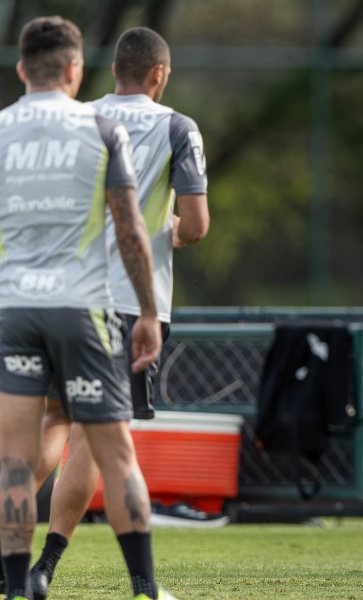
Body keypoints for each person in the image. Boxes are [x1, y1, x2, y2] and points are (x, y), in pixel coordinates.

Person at [26, 26, 212, 598]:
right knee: (95, 437)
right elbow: (197, 223)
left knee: (53, 420)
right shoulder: (177, 126)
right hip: (130, 304)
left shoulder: (80, 118)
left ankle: (21, 555)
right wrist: (173, 231)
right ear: (159, 74)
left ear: (111, 72)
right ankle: (50, 568)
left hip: (59, 294)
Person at [0, 16, 171, 600]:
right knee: (115, 454)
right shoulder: (99, 128)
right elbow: (129, 228)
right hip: (83, 308)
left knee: (16, 462)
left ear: (23, 69)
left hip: (13, 310)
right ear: (75, 69)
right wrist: (148, 312)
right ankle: (145, 589)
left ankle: (18, 587)